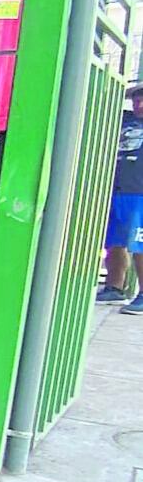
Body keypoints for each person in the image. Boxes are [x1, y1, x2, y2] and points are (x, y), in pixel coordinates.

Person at [97, 85, 143, 312]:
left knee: (139, 244)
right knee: (115, 241)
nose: (139, 105)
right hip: (117, 189)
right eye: (136, 100)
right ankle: (115, 287)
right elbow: (107, 97)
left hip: (140, 192)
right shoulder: (124, 120)